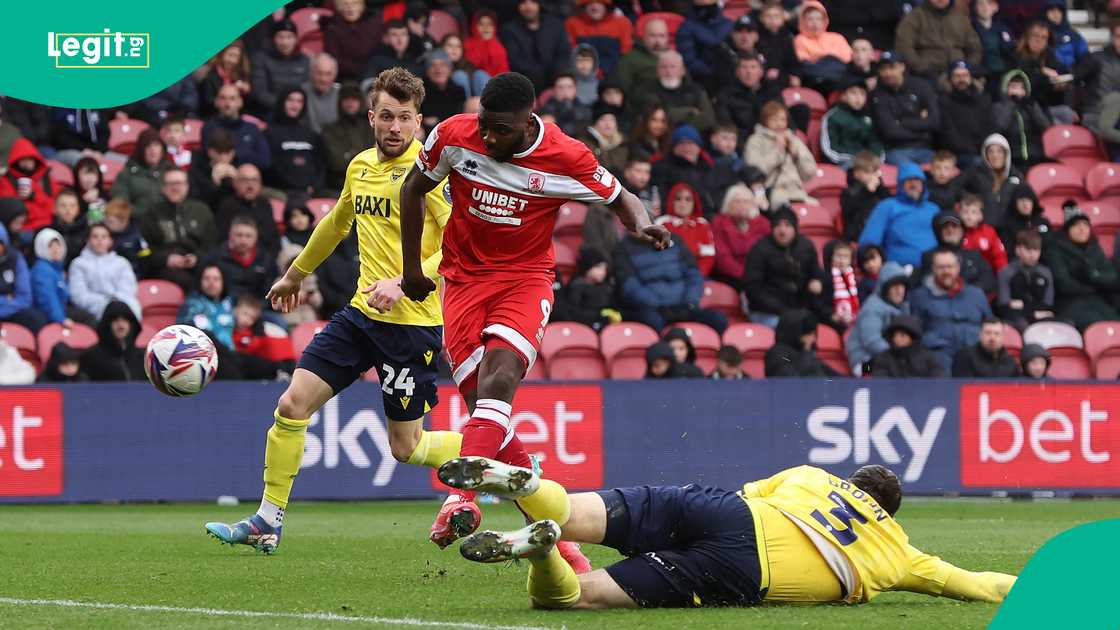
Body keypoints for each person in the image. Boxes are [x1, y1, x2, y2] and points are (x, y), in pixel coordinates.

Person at [398, 72, 672, 550]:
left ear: (529, 123)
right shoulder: (453, 136)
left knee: (498, 380)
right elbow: (411, 190)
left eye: (499, 129)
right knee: (489, 420)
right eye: (484, 124)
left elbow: (620, 197)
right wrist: (413, 272)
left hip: (525, 281)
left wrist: (644, 223)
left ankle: (460, 498)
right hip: (462, 283)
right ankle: (564, 548)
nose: (487, 136)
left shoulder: (568, 157)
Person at [203, 68, 468, 557]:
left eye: (404, 119)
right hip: (361, 315)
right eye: (386, 116)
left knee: (407, 448)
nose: (394, 127)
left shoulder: (432, 175)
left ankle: (491, 454)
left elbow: (457, 246)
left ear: (419, 122)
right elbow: (337, 222)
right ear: (371, 117)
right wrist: (297, 273)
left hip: (412, 326)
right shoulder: (360, 166)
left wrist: (404, 280)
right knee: (291, 405)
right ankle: (268, 519)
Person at [448, 458, 1015, 609]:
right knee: (579, 595)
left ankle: (528, 492)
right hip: (747, 570)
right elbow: (976, 585)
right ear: (891, 514)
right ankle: (538, 553)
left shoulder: (814, 478)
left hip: (731, 514)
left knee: (573, 510)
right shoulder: (898, 552)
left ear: (849, 482)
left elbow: (748, 494)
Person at [909, 248, 993, 371]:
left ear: (958, 268)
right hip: (938, 356)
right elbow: (914, 332)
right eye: (941, 267)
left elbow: (989, 324)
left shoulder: (976, 294)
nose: (946, 271)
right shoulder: (919, 296)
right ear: (933, 269)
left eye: (950, 266)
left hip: (974, 355)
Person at [744, 206, 827, 329]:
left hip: (799, 310)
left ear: (795, 228)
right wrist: (784, 311)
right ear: (772, 228)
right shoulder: (759, 250)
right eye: (778, 225)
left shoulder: (806, 246)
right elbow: (753, 289)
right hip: (766, 311)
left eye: (787, 225)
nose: (782, 230)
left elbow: (816, 271)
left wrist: (817, 281)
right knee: (791, 330)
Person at [139, 168, 217, 291]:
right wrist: (166, 259)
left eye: (179, 183)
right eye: (170, 184)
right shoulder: (151, 214)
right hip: (163, 269)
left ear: (187, 186)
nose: (175, 188)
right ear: (163, 188)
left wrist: (197, 257)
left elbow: (211, 244)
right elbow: (143, 250)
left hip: (198, 266)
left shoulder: (202, 210)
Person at [1045, 206, 1120, 331]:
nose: (1082, 229)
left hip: (1097, 300)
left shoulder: (1094, 248)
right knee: (1097, 326)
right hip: (1069, 304)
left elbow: (1113, 278)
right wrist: (1095, 285)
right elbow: (1064, 284)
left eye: (1085, 225)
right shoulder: (1055, 249)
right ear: (1067, 229)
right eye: (1076, 225)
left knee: (1115, 324)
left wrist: (1095, 277)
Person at [859, 161, 939, 268]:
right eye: (909, 180)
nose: (914, 184)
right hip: (899, 270)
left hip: (934, 269)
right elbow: (869, 241)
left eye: (918, 180)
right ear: (901, 185)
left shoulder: (933, 209)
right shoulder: (887, 206)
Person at [870, 51, 940, 166]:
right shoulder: (877, 94)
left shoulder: (921, 86)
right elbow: (889, 132)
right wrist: (922, 131)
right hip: (896, 150)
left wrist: (903, 122)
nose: (887, 73)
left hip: (926, 149)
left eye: (892, 67)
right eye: (883, 69)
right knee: (911, 172)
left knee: (943, 169)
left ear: (902, 67)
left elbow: (934, 121)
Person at [745, 101, 816, 207]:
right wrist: (777, 151)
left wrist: (796, 155)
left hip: (797, 192)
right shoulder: (755, 141)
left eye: (782, 120)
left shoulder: (793, 140)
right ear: (765, 121)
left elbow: (810, 172)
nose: (779, 124)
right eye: (774, 120)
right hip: (772, 192)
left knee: (816, 211)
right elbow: (755, 172)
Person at [67, 223, 141, 323]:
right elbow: (78, 295)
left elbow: (129, 289)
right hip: (94, 311)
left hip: (123, 304)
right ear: (88, 240)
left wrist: (116, 299)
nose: (100, 240)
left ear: (110, 241)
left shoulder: (121, 262)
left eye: (104, 237)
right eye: (95, 236)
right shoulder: (78, 264)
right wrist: (105, 302)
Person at [846, 262, 910, 375]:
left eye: (902, 286)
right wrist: (898, 356)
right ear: (885, 287)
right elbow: (872, 342)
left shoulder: (903, 307)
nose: (900, 291)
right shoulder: (872, 308)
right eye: (895, 286)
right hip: (864, 363)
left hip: (890, 358)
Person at [894, 0, 981, 81]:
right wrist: (921, 68)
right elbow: (904, 47)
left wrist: (968, 67)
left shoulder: (960, 17)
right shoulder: (914, 17)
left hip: (959, 73)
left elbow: (975, 47)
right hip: (925, 74)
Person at [915, 212, 997, 298]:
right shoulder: (929, 256)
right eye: (945, 227)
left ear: (962, 231)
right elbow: (925, 283)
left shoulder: (975, 255)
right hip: (939, 303)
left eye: (954, 226)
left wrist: (964, 292)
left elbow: (988, 281)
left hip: (970, 301)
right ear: (939, 232)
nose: (950, 230)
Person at [264, 88, 326, 199]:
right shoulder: (270, 133)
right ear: (282, 102)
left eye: (299, 101)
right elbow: (270, 165)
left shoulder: (312, 134)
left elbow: (321, 164)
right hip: (280, 192)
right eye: (290, 100)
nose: (295, 105)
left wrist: (315, 186)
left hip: (310, 192)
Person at [201, 215, 280, 302]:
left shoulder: (266, 260)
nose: (243, 241)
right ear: (230, 235)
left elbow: (272, 290)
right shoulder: (214, 257)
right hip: (221, 307)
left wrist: (257, 308)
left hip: (257, 309)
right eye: (239, 235)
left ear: (256, 237)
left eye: (248, 236)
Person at [499, 0, 572, 93]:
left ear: (539, 4)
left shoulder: (555, 25)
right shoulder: (509, 30)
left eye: (533, 2)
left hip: (554, 78)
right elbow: (514, 60)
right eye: (523, 3)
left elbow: (564, 52)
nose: (528, 7)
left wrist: (557, 74)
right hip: (524, 82)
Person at [956, 133, 1025, 225]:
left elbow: (1027, 199)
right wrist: (972, 200)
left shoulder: (1016, 176)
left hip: (1010, 229)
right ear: (985, 154)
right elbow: (955, 188)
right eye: (990, 151)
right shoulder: (974, 173)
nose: (995, 155)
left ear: (1006, 154)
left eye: (999, 151)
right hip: (983, 228)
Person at [30, 228, 93, 328]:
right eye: (50, 246)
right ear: (41, 248)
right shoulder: (43, 270)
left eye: (58, 245)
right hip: (48, 316)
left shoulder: (56, 269)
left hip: (59, 311)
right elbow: (48, 299)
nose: (56, 250)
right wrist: (61, 319)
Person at [711, 184, 770, 291]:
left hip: (761, 276)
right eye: (737, 201)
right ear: (728, 204)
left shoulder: (763, 223)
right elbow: (723, 259)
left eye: (746, 201)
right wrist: (748, 276)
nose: (742, 205)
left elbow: (771, 254)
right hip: (733, 277)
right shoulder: (719, 223)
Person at [214, 164, 281, 256]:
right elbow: (221, 242)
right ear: (235, 183)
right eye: (244, 180)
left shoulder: (265, 205)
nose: (250, 185)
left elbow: (273, 238)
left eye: (254, 180)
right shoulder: (226, 206)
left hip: (265, 259)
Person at [938, 61, 994, 167]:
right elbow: (948, 133)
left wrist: (982, 148)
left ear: (970, 77)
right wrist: (968, 150)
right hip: (957, 154)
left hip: (981, 151)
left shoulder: (983, 100)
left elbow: (989, 127)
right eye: (957, 76)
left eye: (965, 75)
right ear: (951, 79)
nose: (961, 79)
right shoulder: (944, 102)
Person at [201, 85, 271, 171]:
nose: (227, 103)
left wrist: (234, 156)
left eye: (232, 98)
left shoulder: (252, 129)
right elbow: (208, 158)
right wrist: (245, 155)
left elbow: (264, 161)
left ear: (240, 102)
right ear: (216, 102)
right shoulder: (208, 128)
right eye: (223, 98)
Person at [991, 71, 1051, 171]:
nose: (1018, 91)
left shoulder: (1031, 105)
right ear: (1005, 88)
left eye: (1022, 88)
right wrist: (1012, 104)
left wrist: (1032, 108)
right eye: (1014, 87)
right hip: (1012, 158)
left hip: (1035, 156)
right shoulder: (998, 107)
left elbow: (1046, 127)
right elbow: (1000, 127)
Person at [250, 19, 310, 117]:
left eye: (289, 37)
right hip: (270, 111)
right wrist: (284, 105)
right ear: (273, 39)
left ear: (296, 39)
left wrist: (294, 106)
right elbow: (260, 93)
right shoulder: (261, 58)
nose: (285, 42)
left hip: (298, 110)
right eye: (280, 37)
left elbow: (307, 90)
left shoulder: (304, 60)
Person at [716, 53, 782, 142]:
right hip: (743, 143)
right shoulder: (726, 94)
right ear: (737, 72)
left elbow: (785, 118)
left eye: (753, 67)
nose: (749, 72)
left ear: (761, 72)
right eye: (744, 67)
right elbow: (727, 126)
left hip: (773, 140)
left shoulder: (771, 91)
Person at [648, 51, 717, 134]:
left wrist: (678, 122)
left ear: (682, 71)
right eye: (663, 67)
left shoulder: (696, 90)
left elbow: (708, 120)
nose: (668, 71)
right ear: (657, 71)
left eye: (673, 67)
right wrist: (689, 111)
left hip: (692, 137)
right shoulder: (649, 90)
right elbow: (656, 119)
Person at [111, 129, 174, 218]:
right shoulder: (127, 173)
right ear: (141, 150)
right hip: (137, 222)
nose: (153, 150)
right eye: (148, 146)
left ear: (162, 148)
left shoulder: (171, 171)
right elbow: (120, 203)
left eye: (156, 145)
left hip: (168, 221)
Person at [551, 248, 618, 332]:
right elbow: (572, 312)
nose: (602, 272)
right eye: (598, 267)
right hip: (582, 327)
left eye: (605, 268)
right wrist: (599, 316)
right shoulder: (577, 286)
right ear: (588, 267)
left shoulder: (606, 287)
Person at [821, 78, 882, 170]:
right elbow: (830, 150)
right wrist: (858, 159)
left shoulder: (869, 118)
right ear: (843, 96)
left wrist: (875, 158)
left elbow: (876, 143)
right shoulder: (832, 117)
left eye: (862, 93)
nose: (858, 98)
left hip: (868, 164)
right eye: (853, 93)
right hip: (842, 164)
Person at [656, 183, 715, 276]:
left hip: (697, 275)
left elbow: (708, 257)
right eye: (678, 199)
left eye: (688, 199)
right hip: (668, 275)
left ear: (694, 203)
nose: (683, 204)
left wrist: (698, 276)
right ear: (672, 201)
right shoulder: (662, 223)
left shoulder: (702, 224)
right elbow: (658, 254)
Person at [676, 0, 734, 93]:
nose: (706, 10)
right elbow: (688, 59)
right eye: (702, 6)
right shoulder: (686, 27)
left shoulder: (728, 24)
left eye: (710, 5)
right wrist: (711, 72)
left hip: (730, 77)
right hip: (702, 79)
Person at [792, 1, 852, 92]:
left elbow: (848, 60)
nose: (815, 23)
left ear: (824, 20)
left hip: (841, 80)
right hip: (814, 82)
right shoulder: (799, 40)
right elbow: (805, 64)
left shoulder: (837, 37)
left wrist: (822, 58)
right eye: (810, 19)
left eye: (818, 19)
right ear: (802, 20)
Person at [79, 299, 145, 382]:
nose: (121, 325)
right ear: (106, 325)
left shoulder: (143, 358)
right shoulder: (92, 357)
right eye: (115, 320)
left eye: (125, 320)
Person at [564, 0, 633, 76]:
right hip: (582, 74)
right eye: (590, 3)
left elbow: (626, 52)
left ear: (606, 6)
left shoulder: (622, 23)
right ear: (584, 6)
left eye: (599, 3)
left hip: (614, 74)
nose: (595, 7)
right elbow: (570, 52)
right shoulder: (572, 23)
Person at [322, 83, 370, 190]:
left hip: (369, 185)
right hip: (339, 186)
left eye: (354, 99)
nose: (350, 103)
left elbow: (378, 160)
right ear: (340, 102)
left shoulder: (370, 128)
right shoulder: (330, 130)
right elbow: (337, 163)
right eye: (346, 99)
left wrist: (350, 155)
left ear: (360, 102)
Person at [0, 137, 54, 230]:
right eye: (23, 159)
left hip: (46, 226)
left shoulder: (44, 179)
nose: (27, 163)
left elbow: (52, 207)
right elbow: (11, 211)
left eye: (30, 159)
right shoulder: (5, 181)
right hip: (23, 229)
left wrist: (33, 195)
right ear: (16, 161)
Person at [764, 309, 838, 377]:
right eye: (809, 334)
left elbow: (832, 378)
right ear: (796, 333)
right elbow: (794, 380)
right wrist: (806, 352)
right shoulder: (778, 355)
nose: (813, 339)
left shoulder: (809, 356)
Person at [322, 0, 383, 83]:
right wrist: (360, 68)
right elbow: (334, 60)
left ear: (361, 7)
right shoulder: (332, 29)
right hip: (345, 77)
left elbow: (378, 53)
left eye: (354, 3)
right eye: (345, 4)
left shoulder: (372, 25)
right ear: (339, 8)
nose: (350, 8)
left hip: (372, 75)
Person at [611, 17, 669, 102]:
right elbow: (624, 89)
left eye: (662, 36)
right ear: (644, 37)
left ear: (667, 38)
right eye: (653, 36)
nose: (657, 41)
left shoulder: (674, 58)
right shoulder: (630, 59)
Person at [179, 263, 236, 350]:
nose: (211, 283)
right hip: (204, 354)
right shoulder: (193, 304)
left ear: (223, 282)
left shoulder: (229, 302)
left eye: (216, 279)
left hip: (231, 353)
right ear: (200, 281)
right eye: (206, 278)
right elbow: (184, 331)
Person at [0, 222, 45, 332]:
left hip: (13, 310)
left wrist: (5, 305)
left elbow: (25, 298)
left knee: (36, 318)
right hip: (10, 305)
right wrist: (7, 299)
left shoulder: (16, 259)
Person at [869, 314, 946, 378]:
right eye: (895, 335)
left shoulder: (928, 357)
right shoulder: (883, 358)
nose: (897, 339)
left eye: (902, 335)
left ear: (912, 338)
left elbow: (938, 379)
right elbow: (881, 382)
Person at [841, 152, 890, 242]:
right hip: (858, 234)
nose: (872, 176)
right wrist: (867, 191)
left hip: (881, 231)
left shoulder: (879, 189)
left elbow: (889, 204)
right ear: (856, 173)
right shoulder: (848, 192)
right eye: (867, 172)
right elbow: (849, 213)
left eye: (874, 172)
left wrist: (880, 186)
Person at [198, 40, 252, 118]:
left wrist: (246, 92)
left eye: (236, 56)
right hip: (213, 116)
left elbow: (248, 104)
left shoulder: (241, 76)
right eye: (230, 55)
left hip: (237, 116)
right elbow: (207, 102)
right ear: (222, 54)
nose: (232, 60)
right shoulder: (210, 76)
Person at [951, 317, 1020, 377]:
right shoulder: (965, 357)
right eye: (988, 333)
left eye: (997, 333)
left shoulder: (1010, 362)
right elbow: (961, 387)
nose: (992, 338)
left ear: (1002, 337)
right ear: (980, 335)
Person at [959, 193, 1008, 273]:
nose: (969, 216)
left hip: (986, 275)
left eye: (974, 212)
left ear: (981, 215)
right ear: (959, 214)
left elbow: (999, 257)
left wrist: (1002, 276)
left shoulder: (989, 232)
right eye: (965, 212)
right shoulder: (957, 231)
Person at [973, 0, 1015, 91]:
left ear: (996, 7)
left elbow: (1011, 52)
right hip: (980, 74)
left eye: (989, 3)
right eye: (981, 3)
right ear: (975, 7)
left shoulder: (1003, 29)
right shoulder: (970, 27)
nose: (985, 7)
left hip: (1003, 75)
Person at [998, 186, 1051, 255]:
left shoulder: (1043, 222)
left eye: (1029, 200)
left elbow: (1051, 247)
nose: (1025, 204)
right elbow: (1008, 251)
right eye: (1021, 200)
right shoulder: (1006, 225)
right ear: (1014, 202)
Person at [1042, 1, 1088, 74]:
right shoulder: (1039, 33)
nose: (1055, 13)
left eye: (1059, 10)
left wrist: (1075, 74)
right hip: (1045, 76)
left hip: (1070, 77)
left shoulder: (1073, 35)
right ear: (1045, 12)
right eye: (1051, 9)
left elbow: (1085, 58)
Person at [464, 10, 510, 79]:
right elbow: (472, 64)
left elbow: (503, 70)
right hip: (473, 80)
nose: (486, 28)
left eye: (490, 25)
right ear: (474, 26)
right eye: (481, 24)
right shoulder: (468, 43)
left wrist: (489, 43)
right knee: (480, 75)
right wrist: (483, 43)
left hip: (494, 83)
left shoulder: (498, 46)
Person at [441, 35, 489, 100]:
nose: (454, 49)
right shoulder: (435, 64)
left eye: (458, 46)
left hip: (477, 102)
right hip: (451, 102)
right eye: (450, 45)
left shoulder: (467, 65)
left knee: (480, 74)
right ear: (441, 48)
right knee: (459, 75)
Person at [825, 240, 859, 330]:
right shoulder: (826, 278)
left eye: (845, 256)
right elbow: (821, 304)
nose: (841, 260)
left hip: (855, 317)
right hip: (835, 320)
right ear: (831, 257)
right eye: (838, 256)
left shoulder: (854, 278)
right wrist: (831, 314)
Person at [302, 54, 340, 134]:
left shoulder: (341, 93)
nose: (323, 79)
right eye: (319, 73)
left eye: (328, 74)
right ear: (311, 73)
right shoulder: (301, 93)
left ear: (335, 75)